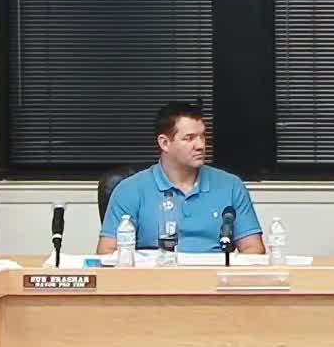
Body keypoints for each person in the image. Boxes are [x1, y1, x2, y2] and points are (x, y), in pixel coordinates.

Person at [99, 102, 264, 256]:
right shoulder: (130, 189)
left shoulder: (231, 185)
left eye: (202, 136)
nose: (200, 146)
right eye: (189, 138)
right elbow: (107, 252)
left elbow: (253, 249)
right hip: (156, 274)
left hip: (211, 274)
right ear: (165, 143)